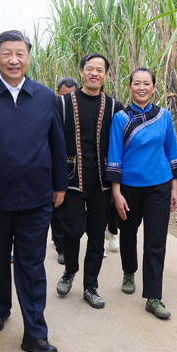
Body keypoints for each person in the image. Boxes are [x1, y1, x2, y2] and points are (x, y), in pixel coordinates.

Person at [0, 30, 67, 352]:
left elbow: (57, 144)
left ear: (28, 57)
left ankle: (34, 333)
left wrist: (59, 184)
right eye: (7, 53)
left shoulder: (46, 96)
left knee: (32, 262)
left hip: (37, 197)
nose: (14, 60)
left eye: (20, 53)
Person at [106, 67, 177, 320]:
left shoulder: (164, 116)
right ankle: (129, 272)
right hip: (128, 187)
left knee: (155, 240)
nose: (141, 87)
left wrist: (174, 187)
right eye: (136, 83)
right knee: (128, 234)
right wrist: (116, 193)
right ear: (130, 87)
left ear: (153, 87)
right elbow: (115, 156)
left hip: (159, 186)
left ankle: (153, 296)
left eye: (146, 83)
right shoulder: (120, 118)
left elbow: (171, 151)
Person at [55, 55, 124, 309]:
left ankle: (90, 286)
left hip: (102, 184)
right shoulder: (61, 104)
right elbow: (52, 143)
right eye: (90, 69)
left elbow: (122, 146)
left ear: (106, 75)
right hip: (71, 182)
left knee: (97, 237)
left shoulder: (115, 107)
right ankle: (70, 270)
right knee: (72, 232)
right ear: (82, 72)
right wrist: (55, 182)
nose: (94, 73)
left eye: (100, 70)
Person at [52, 76, 78, 265]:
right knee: (57, 207)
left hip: (76, 166)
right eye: (64, 95)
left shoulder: (79, 109)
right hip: (56, 161)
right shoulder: (53, 107)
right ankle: (60, 246)